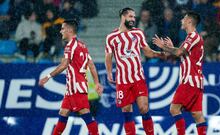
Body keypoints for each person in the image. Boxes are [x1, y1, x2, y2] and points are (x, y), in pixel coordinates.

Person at [105, 7, 166, 135]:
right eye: (130, 17)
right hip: (123, 80)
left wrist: (161, 53)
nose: (133, 19)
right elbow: (108, 56)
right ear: (123, 17)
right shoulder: (112, 37)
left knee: (144, 108)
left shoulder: (138, 33)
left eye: (134, 17)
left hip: (138, 78)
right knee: (127, 111)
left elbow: (147, 52)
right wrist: (109, 72)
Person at [39, 19, 103, 135]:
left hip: (76, 87)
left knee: (86, 115)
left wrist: (48, 76)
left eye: (63, 28)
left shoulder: (70, 46)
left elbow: (64, 65)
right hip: (72, 89)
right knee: (63, 114)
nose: (60, 31)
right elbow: (92, 65)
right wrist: (97, 82)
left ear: (69, 30)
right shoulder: (82, 45)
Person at [153, 11, 207, 135]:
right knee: (197, 114)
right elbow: (183, 54)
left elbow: (178, 53)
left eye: (184, 18)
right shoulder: (192, 38)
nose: (181, 20)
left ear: (189, 21)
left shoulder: (193, 36)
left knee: (174, 109)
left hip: (189, 80)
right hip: (196, 81)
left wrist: (163, 46)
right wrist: (173, 48)